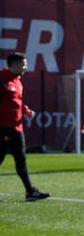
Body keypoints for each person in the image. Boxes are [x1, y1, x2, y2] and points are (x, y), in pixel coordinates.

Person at [0, 53, 48, 201]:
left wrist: (26, 111)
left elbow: (17, 102)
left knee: (21, 160)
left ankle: (30, 192)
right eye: (24, 64)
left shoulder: (18, 82)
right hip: (2, 128)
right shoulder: (1, 78)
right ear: (14, 64)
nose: (26, 68)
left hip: (17, 129)